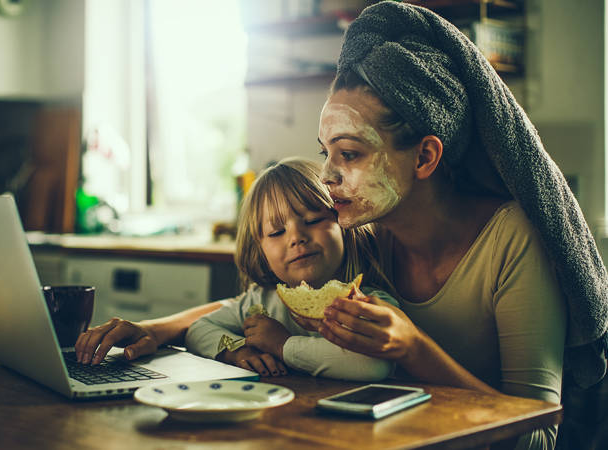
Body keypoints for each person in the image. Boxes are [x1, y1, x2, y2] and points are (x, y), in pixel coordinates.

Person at [307, 2, 607, 449]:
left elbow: (538, 437)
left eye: (349, 154)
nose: (328, 177)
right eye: (324, 153)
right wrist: (169, 328)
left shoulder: (511, 241)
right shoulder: (358, 239)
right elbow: (252, 302)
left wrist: (414, 348)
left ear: (425, 156)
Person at [184, 157, 397, 380]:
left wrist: (283, 345)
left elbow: (373, 365)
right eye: (277, 232)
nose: (296, 238)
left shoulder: (367, 303)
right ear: (260, 250)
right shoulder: (261, 302)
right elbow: (199, 329)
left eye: (313, 220)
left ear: (344, 226)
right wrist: (237, 351)